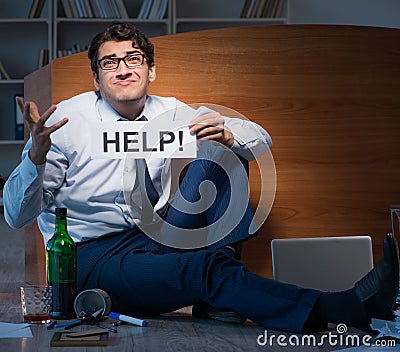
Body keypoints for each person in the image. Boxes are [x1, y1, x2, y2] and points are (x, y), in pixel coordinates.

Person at [3, 22, 398, 333]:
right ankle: (348, 307)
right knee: (204, 269)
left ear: (151, 70)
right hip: (94, 257)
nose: (123, 69)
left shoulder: (170, 111)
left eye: (133, 59)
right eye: (109, 62)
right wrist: (34, 159)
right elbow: (15, 216)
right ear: (96, 80)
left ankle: (220, 296)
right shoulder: (67, 122)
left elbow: (260, 138)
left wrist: (229, 133)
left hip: (156, 232)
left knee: (222, 148)